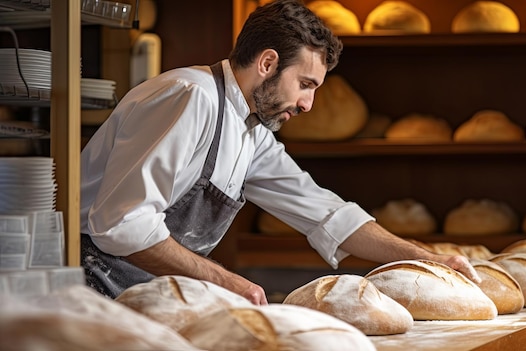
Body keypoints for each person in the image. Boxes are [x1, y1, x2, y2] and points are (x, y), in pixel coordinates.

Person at [80, 0, 479, 303]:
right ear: (268, 63)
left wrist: (425, 258)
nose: (308, 105)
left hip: (145, 298)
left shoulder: (250, 128)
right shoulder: (191, 97)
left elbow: (326, 213)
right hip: (89, 293)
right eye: (305, 84)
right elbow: (123, 224)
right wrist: (226, 281)